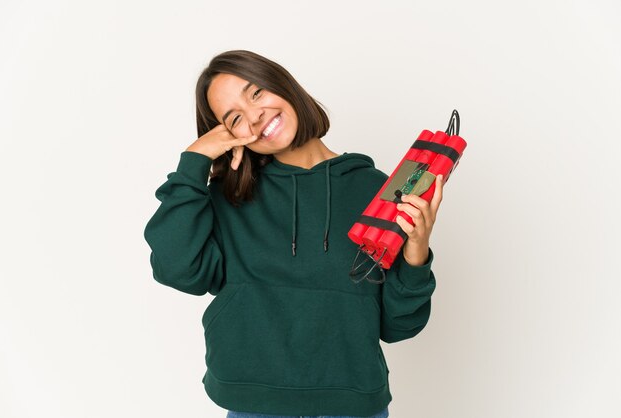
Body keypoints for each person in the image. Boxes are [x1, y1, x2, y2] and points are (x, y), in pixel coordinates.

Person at [143, 50, 443, 418]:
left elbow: (398, 326)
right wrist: (195, 159)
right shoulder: (230, 196)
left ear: (283, 85)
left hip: (351, 404)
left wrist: (416, 254)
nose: (255, 116)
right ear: (227, 135)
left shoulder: (376, 192)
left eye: (256, 93)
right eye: (234, 118)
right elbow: (175, 267)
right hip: (254, 404)